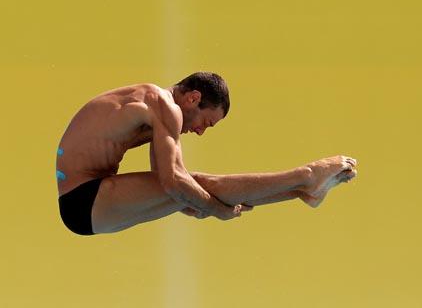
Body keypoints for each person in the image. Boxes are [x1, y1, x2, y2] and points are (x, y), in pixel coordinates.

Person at [56, 72, 358, 236]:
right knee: (204, 185)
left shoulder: (153, 106)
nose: (200, 131)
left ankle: (303, 190)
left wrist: (199, 202)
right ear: (193, 98)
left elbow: (174, 182)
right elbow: (174, 183)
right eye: (206, 122)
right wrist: (217, 210)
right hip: (85, 199)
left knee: (198, 188)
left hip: (84, 205)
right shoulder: (165, 106)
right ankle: (306, 175)